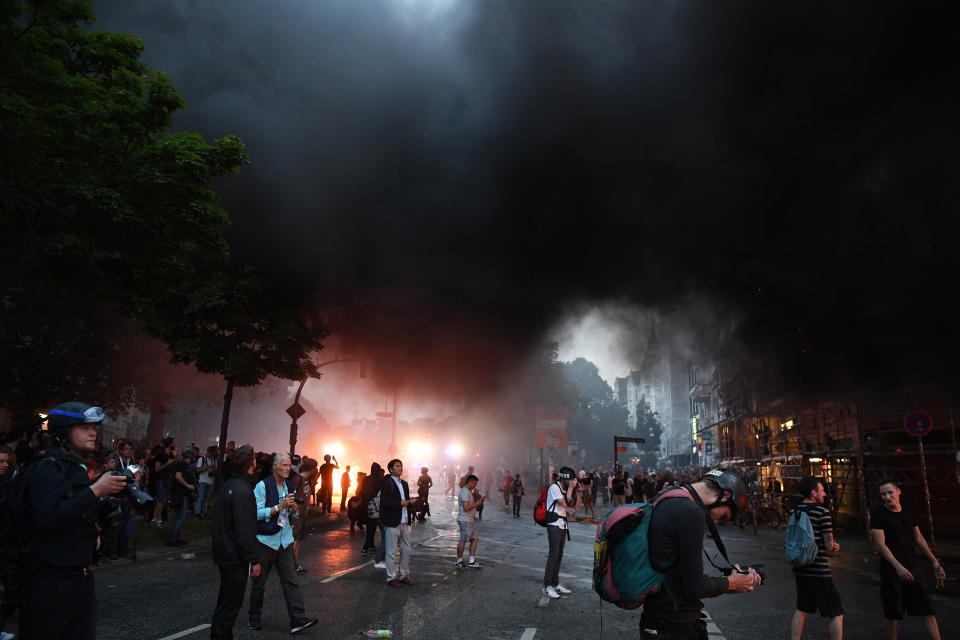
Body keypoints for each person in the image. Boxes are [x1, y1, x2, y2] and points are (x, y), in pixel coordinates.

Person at [18, 402, 127, 640]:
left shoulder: (76, 468)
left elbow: (75, 509)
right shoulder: (47, 468)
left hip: (80, 578)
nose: (93, 432)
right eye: (83, 427)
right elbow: (49, 516)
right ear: (63, 432)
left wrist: (97, 521)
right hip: (51, 584)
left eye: (94, 427)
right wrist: (95, 490)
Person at [640, 469, 761, 639]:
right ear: (725, 495)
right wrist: (733, 582)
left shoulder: (669, 495)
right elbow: (693, 587)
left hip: (655, 618)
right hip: (676, 627)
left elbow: (674, 570)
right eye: (724, 516)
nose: (717, 521)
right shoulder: (691, 513)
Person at [248, 453, 318, 634]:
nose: (289, 469)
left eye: (290, 465)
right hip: (265, 541)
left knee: (291, 580)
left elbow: (289, 516)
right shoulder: (262, 486)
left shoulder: (289, 486)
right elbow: (255, 513)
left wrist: (294, 511)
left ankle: (297, 619)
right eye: (285, 465)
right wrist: (279, 507)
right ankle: (254, 618)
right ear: (275, 467)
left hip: (285, 540)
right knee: (259, 584)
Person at [869, 479, 943, 640]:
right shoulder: (878, 514)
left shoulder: (908, 510)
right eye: (883, 494)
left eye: (890, 492)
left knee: (928, 608)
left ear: (898, 491)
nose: (887, 497)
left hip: (913, 565)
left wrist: (934, 561)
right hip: (891, 570)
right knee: (893, 612)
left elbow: (918, 538)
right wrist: (898, 567)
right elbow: (880, 545)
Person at [210, 444, 261, 640]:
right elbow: (244, 529)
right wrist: (254, 560)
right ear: (252, 463)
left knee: (226, 602)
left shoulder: (229, 485)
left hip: (224, 551)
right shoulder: (243, 490)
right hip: (234, 556)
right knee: (230, 605)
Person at [790, 477, 843, 640]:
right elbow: (828, 544)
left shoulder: (795, 510)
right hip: (818, 569)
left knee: (802, 609)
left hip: (799, 566)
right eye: (821, 490)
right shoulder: (822, 511)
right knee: (836, 613)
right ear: (813, 493)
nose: (825, 494)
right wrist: (834, 546)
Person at [541, 467, 582, 599]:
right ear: (564, 478)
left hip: (562, 525)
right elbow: (564, 503)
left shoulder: (565, 489)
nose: (571, 483)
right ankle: (547, 586)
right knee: (553, 555)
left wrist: (579, 493)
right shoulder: (554, 488)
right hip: (554, 525)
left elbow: (572, 508)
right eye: (570, 480)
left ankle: (555, 583)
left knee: (559, 556)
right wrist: (570, 489)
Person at [380, 459, 417, 587]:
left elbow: (405, 501)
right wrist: (400, 504)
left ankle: (403, 575)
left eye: (401, 466)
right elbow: (384, 502)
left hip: (404, 521)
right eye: (397, 466)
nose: (400, 468)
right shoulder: (387, 483)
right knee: (391, 552)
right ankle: (391, 578)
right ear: (390, 469)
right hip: (392, 522)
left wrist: (410, 502)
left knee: (406, 550)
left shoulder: (405, 484)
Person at [291, 457, 317, 573]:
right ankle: (289, 565)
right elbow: (289, 496)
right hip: (296, 516)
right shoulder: (298, 479)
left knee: (298, 540)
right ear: (311, 469)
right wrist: (294, 511)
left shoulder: (307, 481)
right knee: (294, 540)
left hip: (302, 516)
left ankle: (295, 564)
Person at [168, 448, 197, 547]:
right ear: (190, 456)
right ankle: (172, 539)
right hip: (181, 493)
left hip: (180, 493)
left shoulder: (182, 464)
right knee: (180, 516)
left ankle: (176, 538)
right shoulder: (183, 464)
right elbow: (178, 476)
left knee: (179, 516)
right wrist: (187, 485)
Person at [456, 474, 485, 568]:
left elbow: (472, 507)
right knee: (463, 540)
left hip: (470, 520)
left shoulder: (469, 492)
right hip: (464, 519)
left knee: (475, 539)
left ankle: (471, 561)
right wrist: (477, 504)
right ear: (471, 482)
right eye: (475, 483)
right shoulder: (464, 492)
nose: (475, 485)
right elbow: (466, 508)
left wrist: (479, 501)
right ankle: (459, 561)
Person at [360, 462, 385, 560]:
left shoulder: (365, 479)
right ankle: (366, 548)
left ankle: (370, 547)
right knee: (374, 528)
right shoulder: (379, 480)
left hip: (367, 506)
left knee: (370, 528)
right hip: (376, 508)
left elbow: (362, 492)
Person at [152, 436, 176, 527]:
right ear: (170, 443)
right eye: (174, 442)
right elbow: (157, 469)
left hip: (168, 480)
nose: (175, 444)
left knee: (164, 499)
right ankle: (158, 518)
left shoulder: (170, 454)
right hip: (161, 479)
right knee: (161, 499)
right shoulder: (161, 454)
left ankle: (155, 518)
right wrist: (167, 464)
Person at [196, 445, 217, 519]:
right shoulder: (202, 459)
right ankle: (198, 513)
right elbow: (198, 470)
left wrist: (214, 468)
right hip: (202, 481)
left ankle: (204, 513)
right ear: (208, 452)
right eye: (211, 453)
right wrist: (208, 467)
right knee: (200, 497)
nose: (211, 455)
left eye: (212, 454)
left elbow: (215, 472)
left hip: (210, 482)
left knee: (207, 499)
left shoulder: (214, 460)